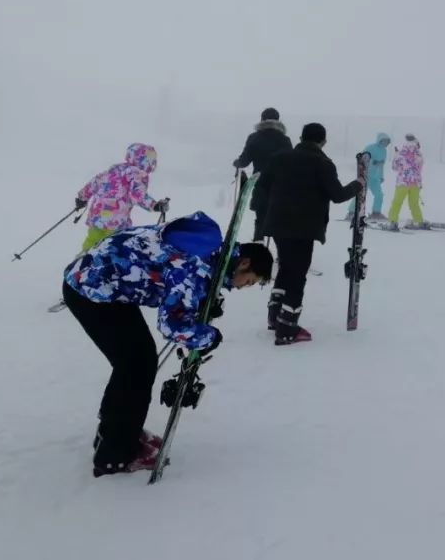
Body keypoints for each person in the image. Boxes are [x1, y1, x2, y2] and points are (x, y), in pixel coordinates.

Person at [62, 212, 273, 476]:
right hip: (90, 290)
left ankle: (115, 433)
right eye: (249, 281)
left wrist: (202, 300)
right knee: (136, 365)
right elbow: (174, 325)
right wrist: (209, 336)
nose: (243, 287)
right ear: (244, 263)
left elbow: (176, 280)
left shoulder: (208, 247)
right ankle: (114, 454)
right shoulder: (195, 266)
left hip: (102, 281)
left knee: (137, 361)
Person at [262, 123, 363, 344]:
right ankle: (287, 328)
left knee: (286, 269)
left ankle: (274, 316)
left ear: (300, 137)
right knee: (297, 274)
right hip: (303, 228)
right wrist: (358, 184)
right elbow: (337, 195)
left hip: (278, 223)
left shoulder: (280, 158)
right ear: (323, 141)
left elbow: (263, 186)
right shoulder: (323, 163)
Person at [75, 143, 168, 252]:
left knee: (92, 242)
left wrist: (82, 198)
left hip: (97, 217)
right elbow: (137, 195)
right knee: (112, 246)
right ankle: (108, 266)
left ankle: (82, 263)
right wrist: (155, 205)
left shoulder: (114, 170)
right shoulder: (138, 174)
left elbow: (94, 182)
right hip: (116, 221)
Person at [232, 108, 293, 239]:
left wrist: (237, 163)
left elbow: (244, 161)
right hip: (281, 186)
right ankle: (282, 255)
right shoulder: (285, 140)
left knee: (261, 219)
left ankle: (258, 249)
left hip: (261, 184)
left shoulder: (254, 138)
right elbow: (291, 164)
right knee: (279, 220)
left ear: (262, 120)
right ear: (278, 121)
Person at [389, 134, 426, 230]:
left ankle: (393, 221)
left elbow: (394, 167)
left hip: (403, 182)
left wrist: (396, 155)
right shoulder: (419, 155)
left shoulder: (401, 153)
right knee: (414, 203)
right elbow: (419, 167)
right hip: (415, 183)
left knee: (397, 202)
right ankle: (419, 221)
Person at [351, 132, 391, 220]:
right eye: (383, 141)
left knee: (379, 195)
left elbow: (382, 165)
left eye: (387, 141)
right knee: (360, 193)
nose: (385, 143)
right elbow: (362, 158)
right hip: (365, 175)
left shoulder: (384, 151)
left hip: (375, 177)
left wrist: (381, 176)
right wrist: (373, 162)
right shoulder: (370, 147)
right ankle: (351, 213)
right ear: (379, 140)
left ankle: (376, 213)